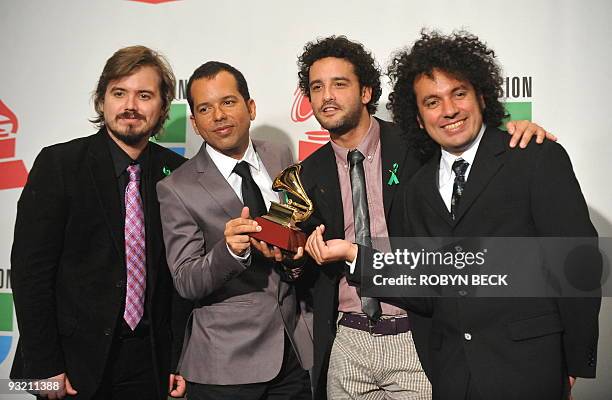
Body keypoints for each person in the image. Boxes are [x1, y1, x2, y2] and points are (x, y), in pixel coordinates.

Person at [296, 35, 553, 399]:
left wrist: (521, 130)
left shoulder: (420, 142)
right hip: (348, 337)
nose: (327, 96)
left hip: (416, 331)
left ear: (367, 92)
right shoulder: (308, 172)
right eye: (317, 87)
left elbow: (474, 147)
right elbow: (309, 268)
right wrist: (297, 255)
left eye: (339, 84)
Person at [367, 30, 599, 400]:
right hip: (453, 377)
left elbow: (580, 264)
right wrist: (357, 263)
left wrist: (570, 363)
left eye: (458, 93)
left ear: (480, 95)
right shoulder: (414, 190)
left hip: (532, 370)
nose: (449, 110)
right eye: (432, 101)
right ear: (417, 114)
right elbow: (425, 291)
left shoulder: (534, 156)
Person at [10, 45, 191, 399]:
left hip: (149, 362)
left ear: (162, 106)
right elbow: (31, 273)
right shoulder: (59, 165)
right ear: (101, 100)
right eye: (118, 93)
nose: (130, 106)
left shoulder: (178, 174)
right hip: (69, 365)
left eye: (144, 95)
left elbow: (178, 278)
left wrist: (177, 360)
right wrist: (46, 365)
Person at [156, 61, 312, 400]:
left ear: (250, 107)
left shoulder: (280, 155)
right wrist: (230, 251)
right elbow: (185, 280)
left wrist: (295, 256)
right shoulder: (176, 188)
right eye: (205, 108)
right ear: (195, 124)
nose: (219, 115)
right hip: (224, 365)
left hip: (293, 354)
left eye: (228, 102)